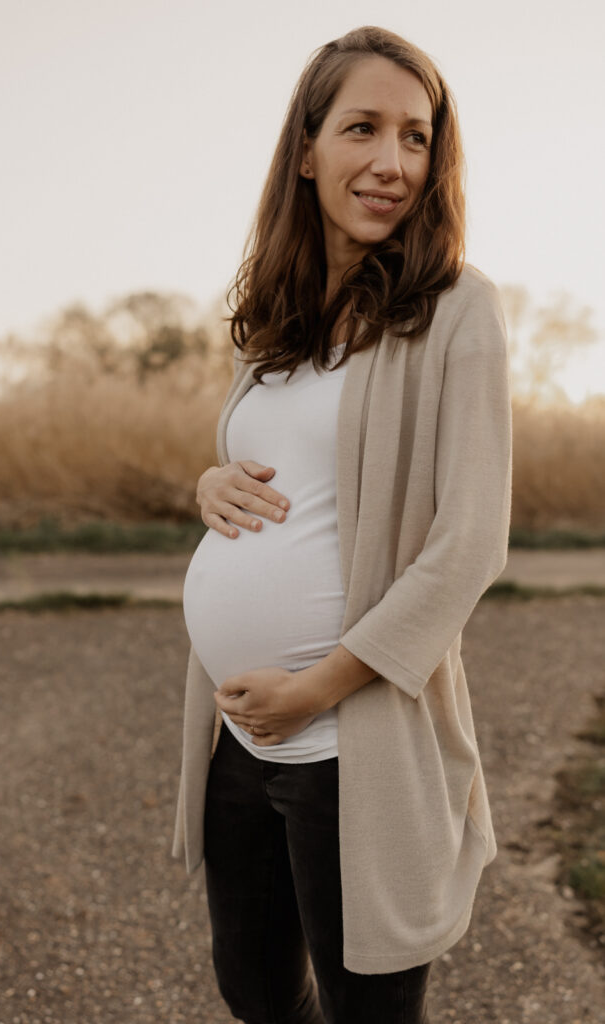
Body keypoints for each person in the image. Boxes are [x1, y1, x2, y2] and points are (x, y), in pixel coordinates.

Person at [173, 25, 512, 1024]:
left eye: (415, 137)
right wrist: (207, 483)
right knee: (255, 990)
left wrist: (315, 687)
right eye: (362, 128)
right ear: (307, 148)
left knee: (368, 1005)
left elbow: (469, 540)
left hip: (343, 743)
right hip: (240, 736)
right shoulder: (272, 317)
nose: (390, 162)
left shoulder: (455, 308)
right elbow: (275, 471)